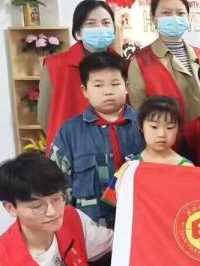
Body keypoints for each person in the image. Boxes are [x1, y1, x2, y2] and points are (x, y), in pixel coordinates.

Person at [50, 51, 144, 229]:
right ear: (85, 91)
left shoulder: (146, 126)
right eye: (98, 85)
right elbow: (56, 183)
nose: (107, 91)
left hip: (140, 224)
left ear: (126, 86)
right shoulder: (70, 132)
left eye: (115, 84)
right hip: (91, 228)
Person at [38, 0, 120, 147]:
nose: (100, 28)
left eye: (106, 23)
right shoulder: (55, 66)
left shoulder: (122, 65)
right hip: (69, 149)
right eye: (91, 24)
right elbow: (44, 118)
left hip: (114, 147)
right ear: (78, 32)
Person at [127, 0, 200, 122]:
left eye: (180, 13)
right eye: (166, 13)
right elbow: (139, 112)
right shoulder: (141, 61)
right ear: (153, 18)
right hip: (166, 133)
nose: (174, 18)